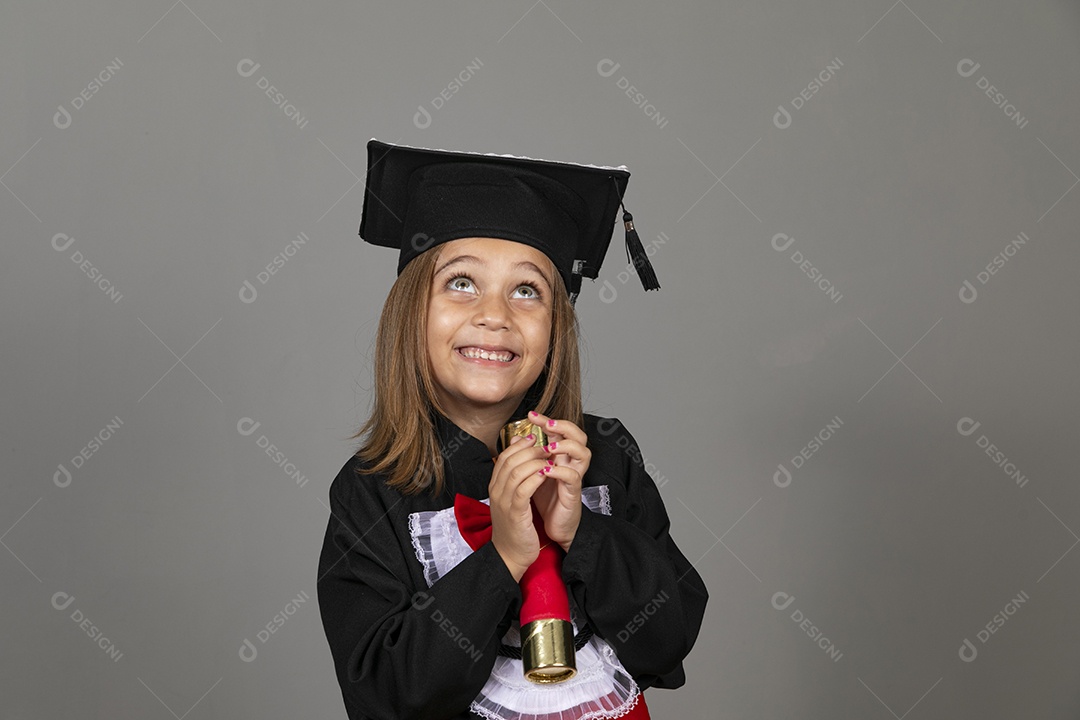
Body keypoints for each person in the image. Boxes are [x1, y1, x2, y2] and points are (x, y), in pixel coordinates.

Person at [317, 139, 708, 720]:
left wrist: (583, 534)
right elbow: (386, 699)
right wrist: (502, 556)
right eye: (461, 282)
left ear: (557, 326)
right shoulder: (372, 490)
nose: (495, 314)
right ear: (410, 311)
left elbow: (667, 641)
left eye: (527, 290)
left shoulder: (604, 457)